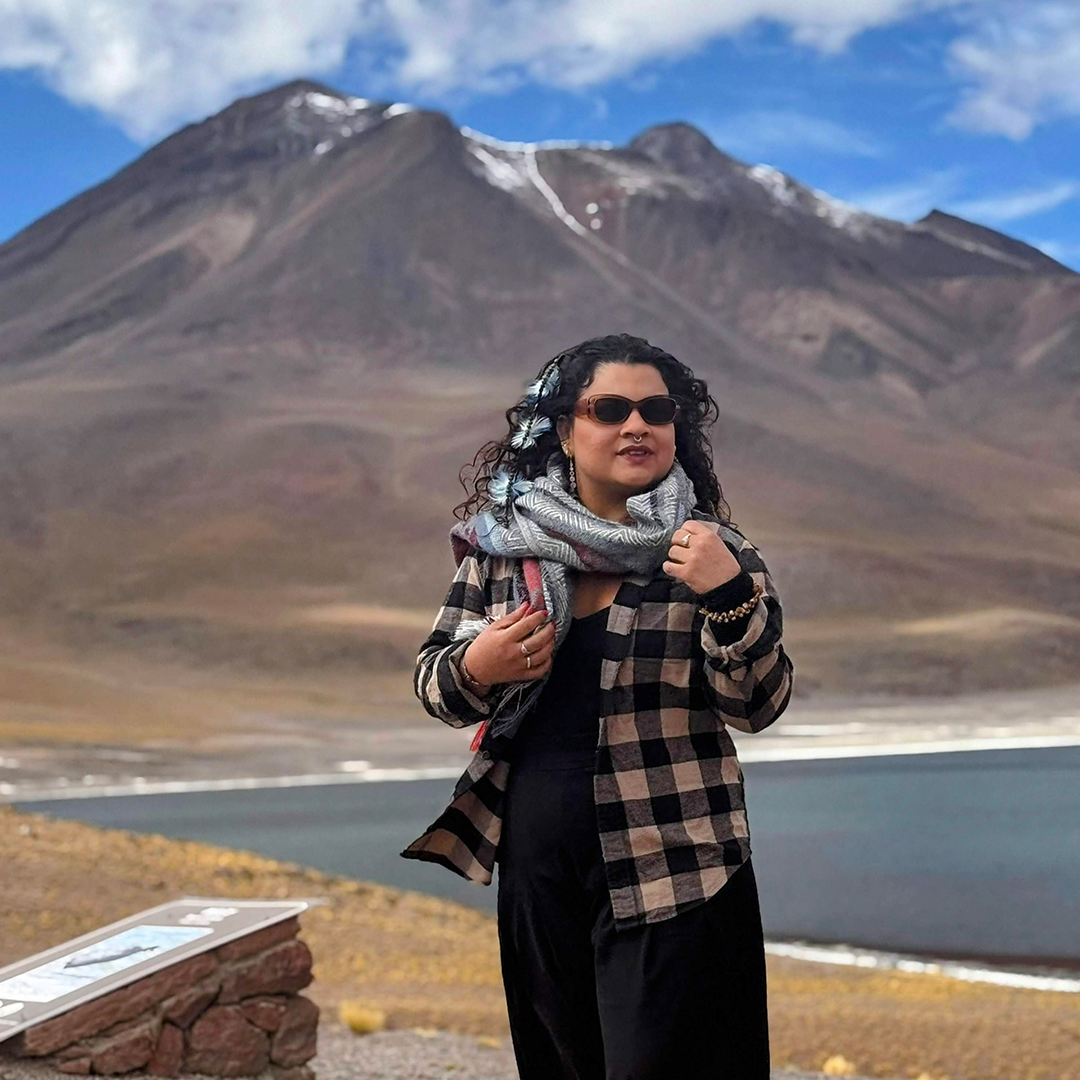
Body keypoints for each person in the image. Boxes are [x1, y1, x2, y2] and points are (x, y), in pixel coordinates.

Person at [401, 333, 794, 1079]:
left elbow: (759, 704)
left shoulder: (712, 553)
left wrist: (730, 596)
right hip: (539, 875)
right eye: (609, 409)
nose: (636, 425)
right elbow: (434, 685)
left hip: (677, 866)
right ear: (565, 430)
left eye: (656, 409)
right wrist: (476, 665)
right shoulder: (505, 552)